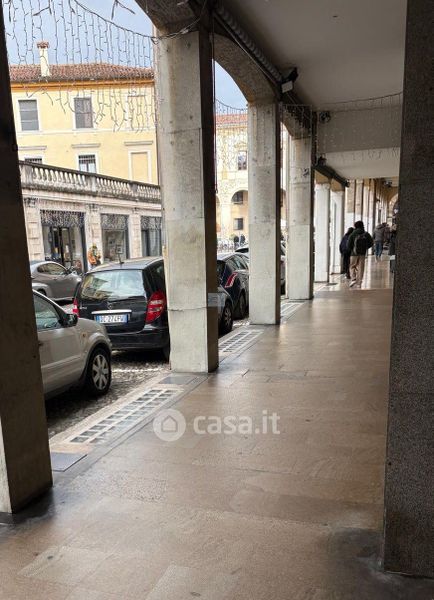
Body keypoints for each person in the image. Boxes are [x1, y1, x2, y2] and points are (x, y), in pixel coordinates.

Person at [347, 221, 373, 288]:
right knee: (361, 268)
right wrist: (365, 248)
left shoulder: (353, 234)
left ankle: (353, 279)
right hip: (362, 254)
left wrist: (353, 249)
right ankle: (359, 283)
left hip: (354, 254)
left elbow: (348, 245)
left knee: (352, 266)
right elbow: (371, 243)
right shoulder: (366, 234)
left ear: (355, 226)